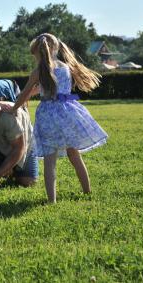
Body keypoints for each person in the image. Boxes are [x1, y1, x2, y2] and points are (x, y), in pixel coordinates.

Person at [11, 33, 108, 203]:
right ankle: (87, 192)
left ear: (37, 53)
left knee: (50, 161)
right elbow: (51, 88)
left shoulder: (38, 72)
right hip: (67, 113)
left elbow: (25, 93)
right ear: (56, 48)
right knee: (75, 155)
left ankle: (52, 201)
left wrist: (13, 108)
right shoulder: (65, 67)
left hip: (48, 115)